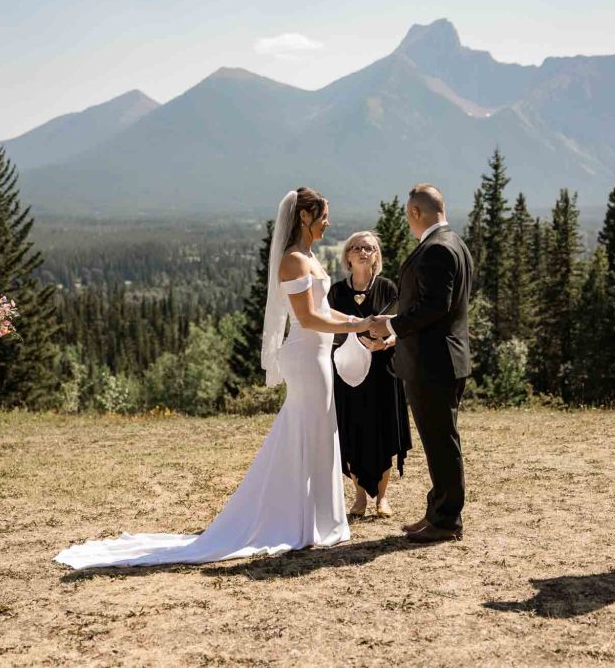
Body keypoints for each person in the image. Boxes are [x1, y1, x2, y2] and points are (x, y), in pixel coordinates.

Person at [55, 187, 372, 569]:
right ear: (305, 217)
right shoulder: (292, 260)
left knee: (319, 433)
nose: (328, 222)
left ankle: (317, 520)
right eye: (323, 216)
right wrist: (359, 322)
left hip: (319, 355)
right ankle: (296, 521)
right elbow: (306, 319)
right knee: (306, 433)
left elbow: (327, 312)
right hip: (306, 358)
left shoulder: (309, 258)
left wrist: (359, 323)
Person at [368, 183, 472, 543]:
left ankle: (446, 521)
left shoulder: (436, 250)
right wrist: (400, 333)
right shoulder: (454, 242)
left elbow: (434, 307)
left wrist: (391, 323)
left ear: (415, 212)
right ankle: (437, 512)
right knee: (439, 440)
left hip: (434, 364)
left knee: (441, 442)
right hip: (441, 358)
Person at [328, 231, 411, 518]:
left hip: (382, 371)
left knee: (382, 430)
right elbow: (328, 328)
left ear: (376, 256)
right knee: (352, 431)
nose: (364, 251)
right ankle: (359, 497)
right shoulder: (337, 292)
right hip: (347, 372)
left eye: (370, 247)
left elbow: (400, 329)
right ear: (348, 256)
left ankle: (382, 499)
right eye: (357, 247)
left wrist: (383, 343)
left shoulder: (388, 289)